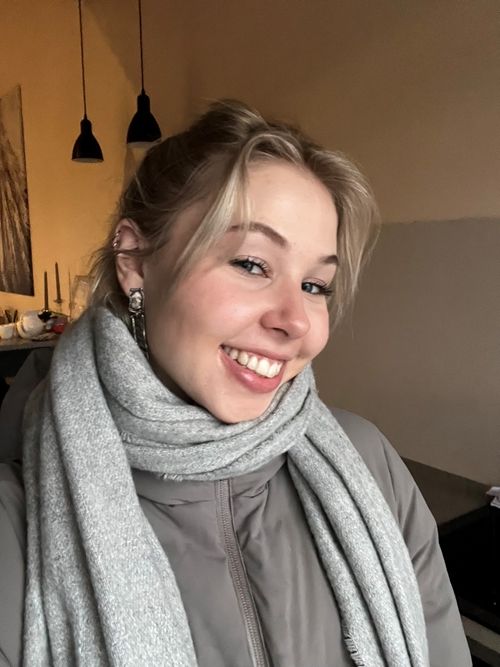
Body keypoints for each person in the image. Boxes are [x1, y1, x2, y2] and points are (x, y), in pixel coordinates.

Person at [0, 100, 471, 667]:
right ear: (134, 260)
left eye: (316, 285)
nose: (295, 321)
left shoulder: (370, 464)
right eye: (251, 264)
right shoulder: (15, 521)